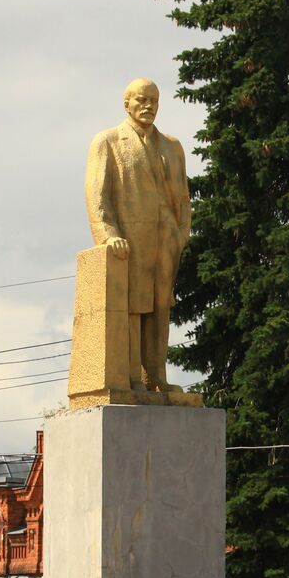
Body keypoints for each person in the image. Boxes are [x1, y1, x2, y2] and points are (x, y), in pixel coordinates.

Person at [85, 78, 191, 394]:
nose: (148, 106)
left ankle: (156, 376)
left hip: (166, 240)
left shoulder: (172, 146)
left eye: (154, 101)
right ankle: (132, 378)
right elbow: (97, 193)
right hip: (129, 239)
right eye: (142, 100)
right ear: (126, 103)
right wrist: (106, 235)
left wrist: (181, 233)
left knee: (160, 307)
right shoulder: (108, 141)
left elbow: (183, 198)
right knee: (133, 306)